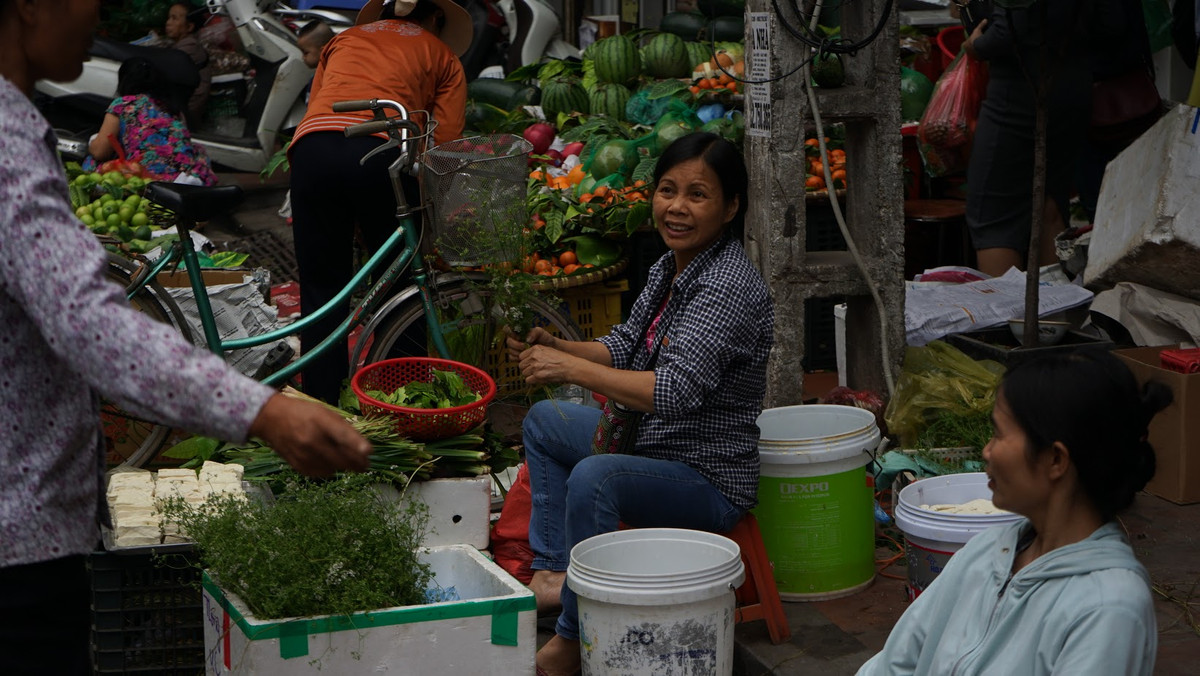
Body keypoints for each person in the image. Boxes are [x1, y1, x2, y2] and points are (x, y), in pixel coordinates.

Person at [0, 1, 372, 673]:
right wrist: (260, 410)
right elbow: (88, 320)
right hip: (17, 543)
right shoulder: (4, 138)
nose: (98, 13)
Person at [507, 132, 776, 676]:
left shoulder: (725, 286)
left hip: (704, 474)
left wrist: (571, 370)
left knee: (595, 478)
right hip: (652, 444)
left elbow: (673, 392)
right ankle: (556, 576)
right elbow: (624, 345)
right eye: (667, 190)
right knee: (544, 421)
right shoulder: (671, 266)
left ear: (730, 207)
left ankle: (571, 637)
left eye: (697, 195)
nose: (676, 207)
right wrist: (559, 346)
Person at [858, 349, 1170, 675]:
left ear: (1056, 460)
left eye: (999, 433)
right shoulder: (987, 552)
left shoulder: (1108, 608)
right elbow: (897, 661)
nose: (986, 451)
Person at [289, 0, 469, 404]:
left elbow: (321, 103)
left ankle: (322, 405)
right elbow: (446, 146)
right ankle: (398, 401)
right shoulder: (442, 54)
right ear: (435, 17)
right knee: (401, 283)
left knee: (322, 288)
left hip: (312, 150)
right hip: (381, 154)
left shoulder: (344, 39)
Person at [962, 1, 1122, 276]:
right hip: (1072, 85)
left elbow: (1007, 31)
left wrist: (974, 46)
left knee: (994, 217)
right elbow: (1113, 24)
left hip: (1020, 90)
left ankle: (1011, 317)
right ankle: (1054, 315)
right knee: (1049, 203)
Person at [86, 56, 218, 185]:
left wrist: (93, 143)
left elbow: (100, 152)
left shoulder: (123, 105)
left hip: (146, 176)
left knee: (93, 161)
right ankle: (183, 180)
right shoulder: (173, 108)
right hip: (185, 172)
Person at [164, 1, 212, 129]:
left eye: (174, 19)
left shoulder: (190, 47)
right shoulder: (181, 44)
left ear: (189, 27)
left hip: (188, 109)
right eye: (169, 18)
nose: (168, 22)